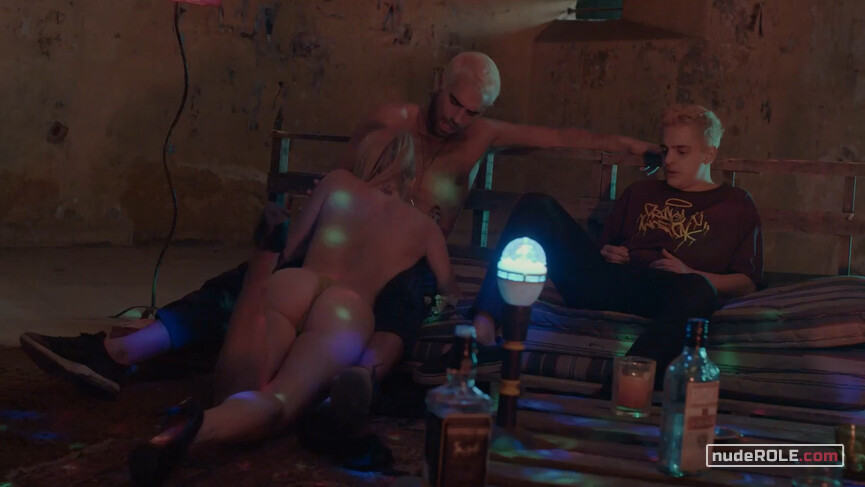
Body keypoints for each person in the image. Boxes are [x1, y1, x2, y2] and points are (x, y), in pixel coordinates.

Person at [20, 51, 660, 409]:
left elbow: (560, 135)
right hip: (349, 253)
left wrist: (631, 147)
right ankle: (121, 352)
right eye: (454, 103)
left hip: (412, 262)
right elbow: (347, 186)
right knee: (249, 282)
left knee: (406, 305)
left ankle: (347, 392)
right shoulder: (390, 119)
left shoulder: (481, 135)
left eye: (471, 111)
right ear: (438, 85)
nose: (458, 119)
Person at [128, 128, 459, 486]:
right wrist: (433, 309)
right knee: (280, 402)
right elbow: (449, 293)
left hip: (297, 283)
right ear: (410, 173)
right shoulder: (424, 228)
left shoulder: (337, 183)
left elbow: (290, 250)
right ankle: (202, 428)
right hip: (346, 311)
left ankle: (257, 276)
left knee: (235, 386)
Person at [464, 104, 763, 390]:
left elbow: (746, 283)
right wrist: (608, 253)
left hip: (671, 292)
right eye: (665, 150)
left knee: (699, 292)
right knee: (536, 206)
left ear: (709, 154)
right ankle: (484, 326)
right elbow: (599, 256)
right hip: (613, 282)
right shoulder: (640, 192)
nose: (668, 160)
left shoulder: (735, 204)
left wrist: (689, 273)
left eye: (681, 151)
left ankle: (623, 385)